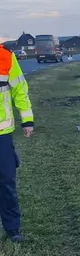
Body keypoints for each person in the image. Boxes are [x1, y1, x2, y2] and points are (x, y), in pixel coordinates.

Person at [0, 43, 34, 243]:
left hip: (2, 133)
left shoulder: (5, 57)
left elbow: (19, 90)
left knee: (6, 182)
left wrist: (27, 120)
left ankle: (12, 228)